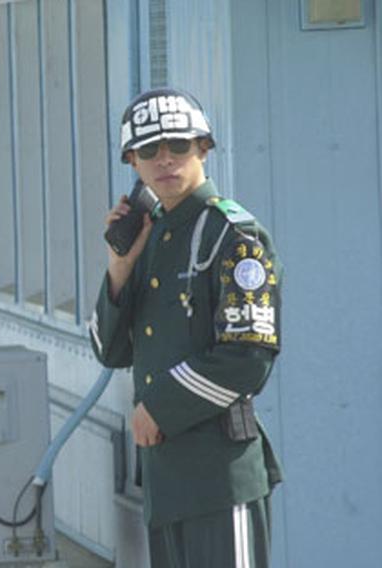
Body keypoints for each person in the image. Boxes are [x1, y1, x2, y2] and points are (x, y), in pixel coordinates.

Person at [89, 88, 283, 568]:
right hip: (166, 482)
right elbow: (108, 350)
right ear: (131, 160)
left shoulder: (232, 234)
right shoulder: (150, 237)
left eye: (178, 145)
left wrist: (158, 407)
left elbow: (249, 356)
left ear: (203, 148)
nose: (165, 159)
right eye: (149, 149)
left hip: (220, 479)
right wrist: (119, 267)